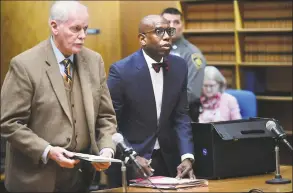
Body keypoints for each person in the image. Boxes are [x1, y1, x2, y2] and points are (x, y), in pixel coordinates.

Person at [0, 1, 117, 192]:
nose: (83, 36)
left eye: (85, 29)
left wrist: (106, 149)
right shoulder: (24, 65)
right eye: (76, 29)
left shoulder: (94, 61)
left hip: (81, 179)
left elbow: (106, 117)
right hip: (35, 180)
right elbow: (9, 123)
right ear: (54, 26)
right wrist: (48, 151)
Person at [106, 14, 195, 188]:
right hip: (132, 162)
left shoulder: (179, 66)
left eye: (169, 31)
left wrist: (187, 156)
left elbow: (181, 115)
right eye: (159, 31)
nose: (168, 36)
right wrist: (131, 156)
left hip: (169, 160)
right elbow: (110, 123)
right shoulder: (121, 71)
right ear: (142, 39)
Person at [161, 7, 206, 122]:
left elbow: (191, 93)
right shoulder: (153, 50)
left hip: (181, 117)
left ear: (183, 26)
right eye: (167, 22)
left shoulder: (192, 54)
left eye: (176, 22)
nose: (171, 26)